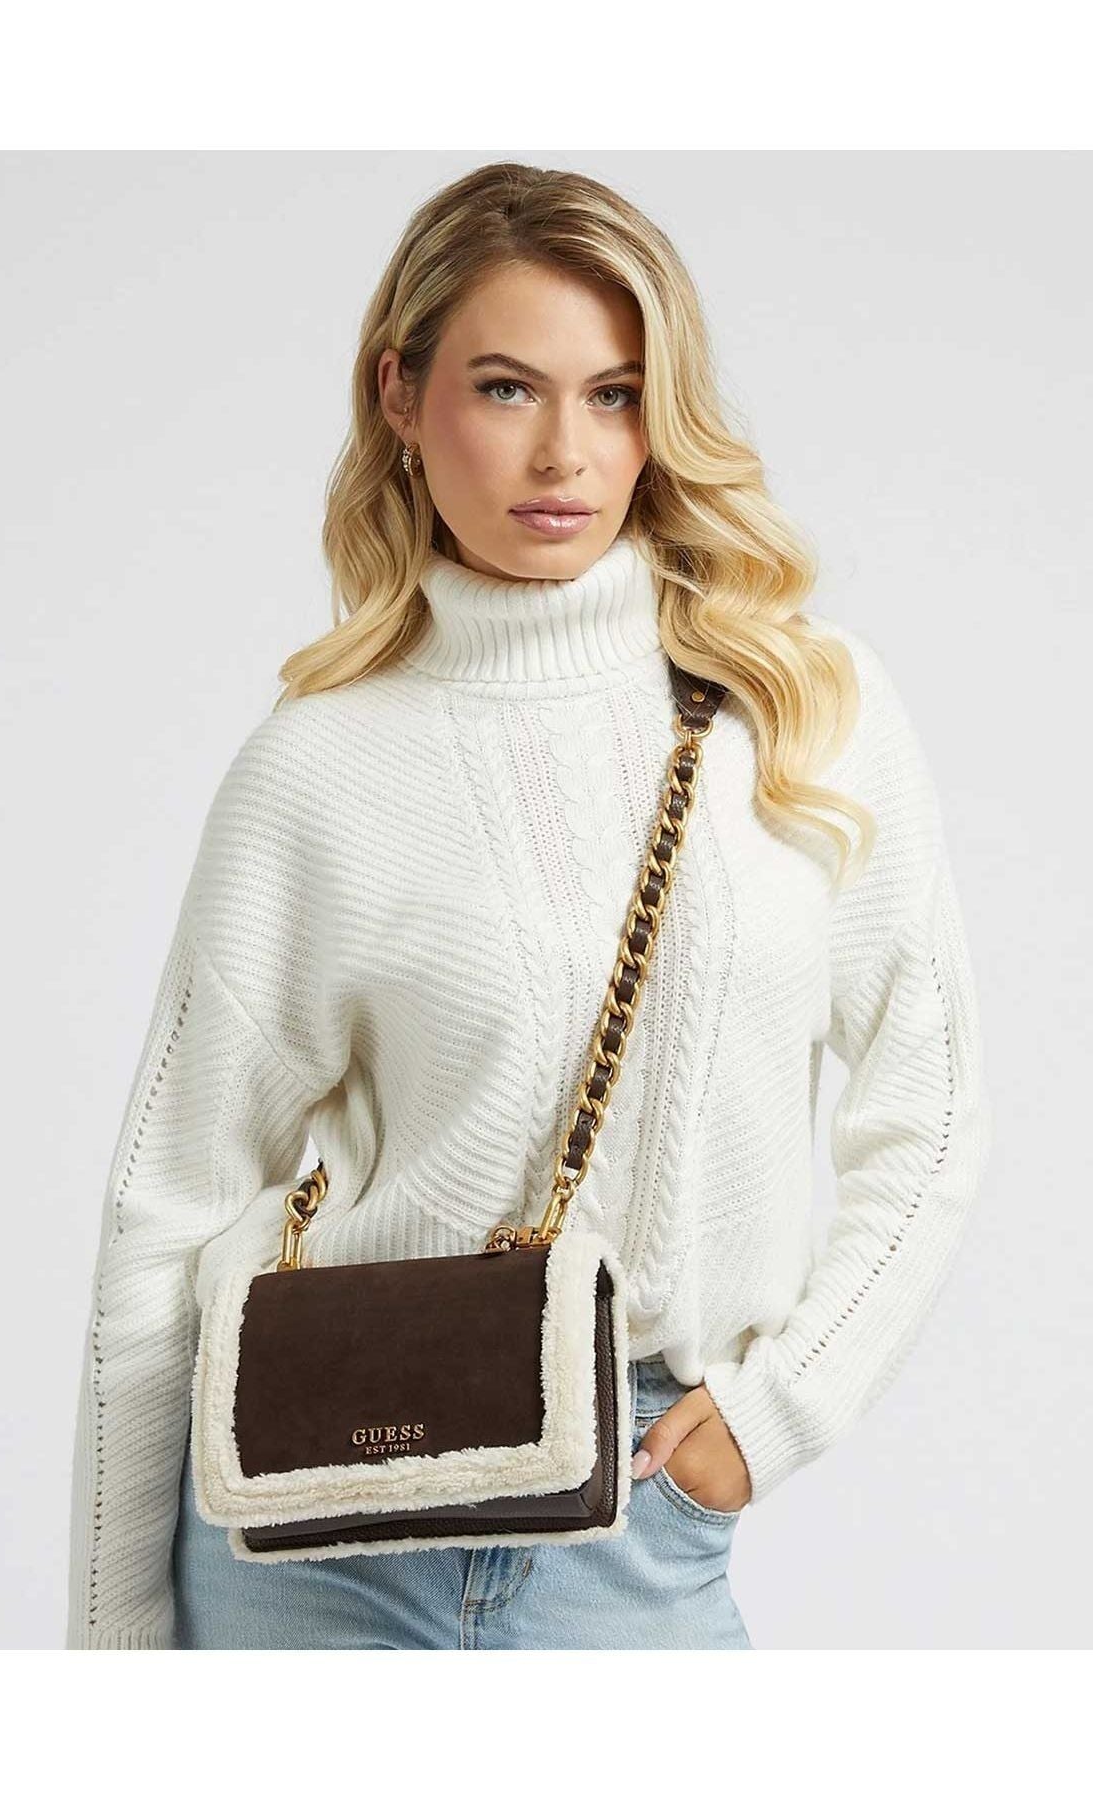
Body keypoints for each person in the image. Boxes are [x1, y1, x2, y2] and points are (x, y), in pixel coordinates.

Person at [65, 161, 992, 1651]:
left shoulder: (799, 707)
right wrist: (111, 1652)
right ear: (401, 394)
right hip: (314, 1553)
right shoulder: (319, 764)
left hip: (637, 1539)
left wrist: (781, 1406)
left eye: (616, 396)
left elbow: (929, 1108)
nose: (565, 452)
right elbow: (165, 1213)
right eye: (506, 389)